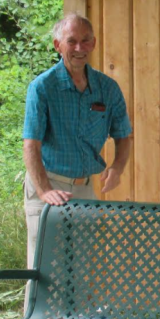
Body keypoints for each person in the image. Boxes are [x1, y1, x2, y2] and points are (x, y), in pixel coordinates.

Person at [22, 13, 132, 268]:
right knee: (44, 270)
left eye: (85, 41)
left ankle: (76, 311)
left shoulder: (108, 88)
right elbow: (31, 145)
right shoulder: (42, 87)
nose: (79, 48)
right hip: (48, 186)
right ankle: (34, 311)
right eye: (71, 41)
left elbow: (123, 135)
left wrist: (117, 167)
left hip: (84, 189)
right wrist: (44, 190)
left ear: (93, 43)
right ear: (57, 45)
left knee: (81, 269)